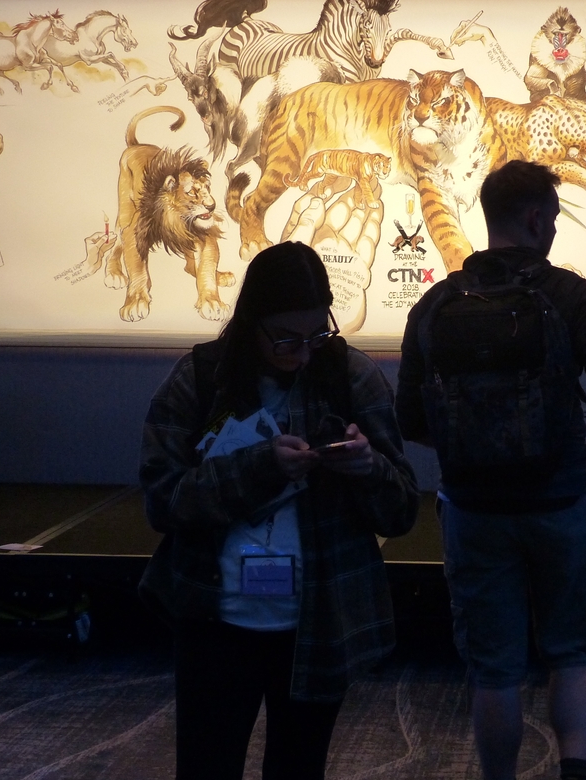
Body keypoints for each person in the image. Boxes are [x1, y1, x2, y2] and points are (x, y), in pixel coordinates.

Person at [396, 160, 586, 780]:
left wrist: (473, 440)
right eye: (552, 218)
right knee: (574, 654)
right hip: (561, 503)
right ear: (535, 218)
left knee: (493, 669)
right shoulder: (569, 295)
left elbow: (409, 419)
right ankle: (574, 772)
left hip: (472, 511)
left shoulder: (435, 304)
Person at [138, 241, 419, 779]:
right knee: (206, 765)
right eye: (287, 339)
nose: (304, 354)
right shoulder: (201, 378)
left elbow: (402, 511)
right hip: (215, 618)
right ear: (252, 323)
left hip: (317, 620)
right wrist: (260, 466)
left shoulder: (351, 376)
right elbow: (163, 499)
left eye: (318, 335)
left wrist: (368, 468)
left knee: (298, 766)